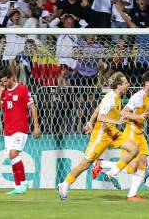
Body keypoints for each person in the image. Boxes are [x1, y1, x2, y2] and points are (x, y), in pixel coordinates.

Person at [58, 72, 140, 200]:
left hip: (112, 133)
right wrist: (116, 121)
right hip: (101, 135)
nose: (128, 85)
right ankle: (65, 184)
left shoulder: (116, 97)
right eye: (125, 83)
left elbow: (98, 108)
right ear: (118, 86)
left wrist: (90, 122)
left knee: (134, 149)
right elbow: (101, 116)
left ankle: (112, 172)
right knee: (85, 164)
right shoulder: (111, 98)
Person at [91, 71, 149, 201]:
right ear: (147, 83)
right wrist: (138, 116)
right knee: (133, 168)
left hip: (140, 134)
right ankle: (107, 169)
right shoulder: (138, 97)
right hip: (131, 133)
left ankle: (103, 165)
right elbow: (123, 113)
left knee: (141, 164)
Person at [0, 68, 41, 195]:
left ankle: (24, 182)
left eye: (5, 81)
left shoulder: (22, 89)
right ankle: (18, 186)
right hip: (8, 130)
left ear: (11, 78)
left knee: (14, 153)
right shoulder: (3, 92)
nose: (4, 84)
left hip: (21, 128)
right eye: (1, 82)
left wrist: (36, 126)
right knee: (12, 156)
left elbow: (32, 107)